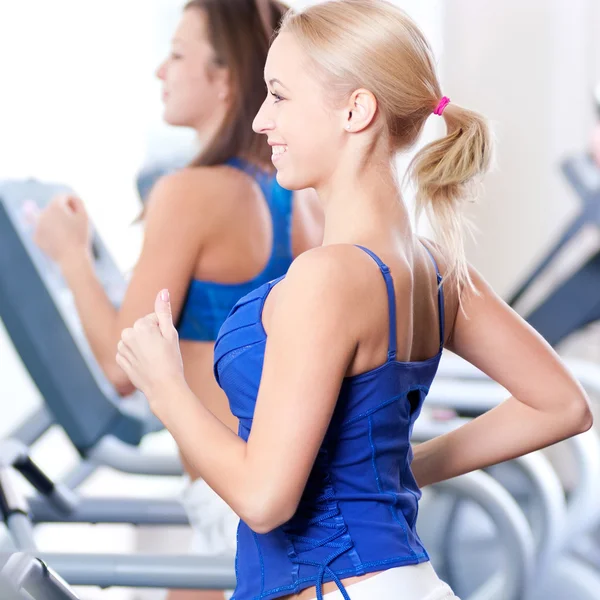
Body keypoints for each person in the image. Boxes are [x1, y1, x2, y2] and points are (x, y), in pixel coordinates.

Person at [114, 1, 594, 599]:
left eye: (279, 96)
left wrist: (165, 387)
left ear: (356, 109)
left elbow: (264, 501)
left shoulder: (327, 278)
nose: (261, 120)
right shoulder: (434, 266)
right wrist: (401, 471)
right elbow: (561, 405)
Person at [33, 1, 322, 599]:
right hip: (273, 497)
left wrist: (71, 256)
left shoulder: (190, 193)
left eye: (177, 55)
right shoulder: (298, 198)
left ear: (222, 78)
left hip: (239, 502)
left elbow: (122, 366)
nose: (160, 72)